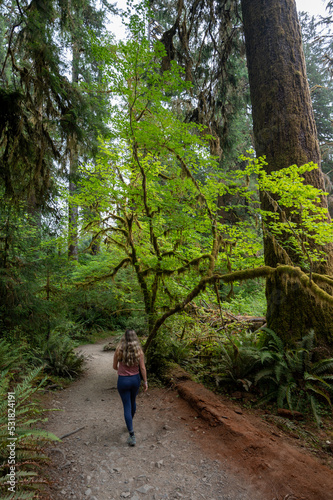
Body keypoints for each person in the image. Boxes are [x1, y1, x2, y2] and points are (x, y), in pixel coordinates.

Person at [113, 329, 148, 446]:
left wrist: (123, 372)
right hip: (135, 380)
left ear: (124, 337)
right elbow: (142, 368)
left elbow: (114, 367)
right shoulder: (139, 351)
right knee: (133, 402)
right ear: (135, 338)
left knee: (126, 406)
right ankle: (130, 424)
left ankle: (132, 434)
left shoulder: (119, 350)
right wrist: (146, 382)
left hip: (123, 381)